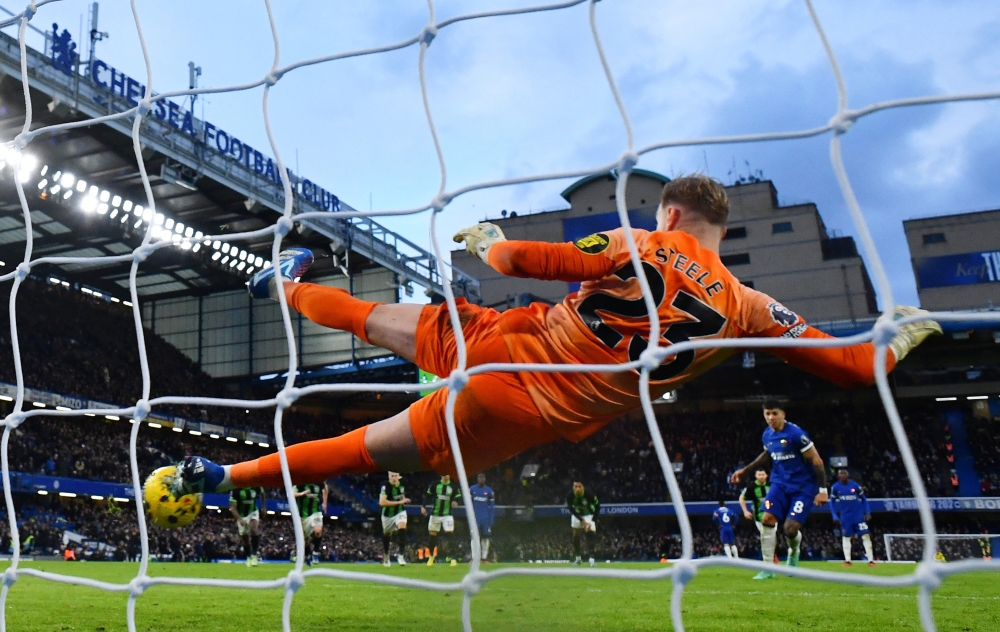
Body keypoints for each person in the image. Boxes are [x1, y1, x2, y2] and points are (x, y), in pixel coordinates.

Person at [169, 175, 940, 519]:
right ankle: (222, 474)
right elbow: (855, 367)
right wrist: (901, 332)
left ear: (671, 212)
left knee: (379, 319)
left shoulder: (644, 241)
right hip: (524, 402)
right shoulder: (752, 308)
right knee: (368, 449)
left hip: (502, 339)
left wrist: (494, 241)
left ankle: (287, 286)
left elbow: (524, 263)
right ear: (721, 230)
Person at [730, 401, 827, 579]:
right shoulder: (767, 435)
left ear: (783, 414)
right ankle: (768, 568)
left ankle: (793, 553)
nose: (770, 418)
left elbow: (817, 460)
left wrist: (823, 490)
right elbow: (767, 455)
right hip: (779, 483)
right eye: (767, 414)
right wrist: (745, 471)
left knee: (789, 529)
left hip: (803, 487)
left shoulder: (796, 435)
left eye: (774, 413)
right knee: (767, 518)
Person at [830, 468, 874, 566]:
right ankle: (848, 560)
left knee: (866, 536)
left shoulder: (855, 485)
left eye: (844, 473)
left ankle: (871, 560)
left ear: (848, 475)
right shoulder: (835, 487)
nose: (843, 475)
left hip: (859, 516)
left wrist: (867, 512)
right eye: (840, 474)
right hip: (845, 517)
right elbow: (832, 502)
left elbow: (864, 499)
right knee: (846, 537)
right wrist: (835, 515)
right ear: (838, 476)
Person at [421, 474, 461, 566]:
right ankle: (431, 558)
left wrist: (456, 501)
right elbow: (428, 496)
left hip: (447, 515)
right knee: (432, 537)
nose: (446, 476)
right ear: (441, 475)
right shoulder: (435, 484)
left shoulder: (453, 486)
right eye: (444, 474)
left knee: (450, 534)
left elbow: (458, 496)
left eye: (447, 474)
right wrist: (423, 506)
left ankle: (453, 558)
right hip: (435, 514)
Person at [739, 469, 772, 560]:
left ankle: (771, 558)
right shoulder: (751, 487)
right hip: (758, 517)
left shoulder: (772, 485)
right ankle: (770, 559)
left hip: (771, 515)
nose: (761, 476)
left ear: (766, 475)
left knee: (769, 536)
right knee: (765, 536)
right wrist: (745, 511)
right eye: (759, 474)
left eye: (763, 474)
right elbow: (741, 498)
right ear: (756, 476)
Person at [379, 471, 410, 567]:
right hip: (387, 515)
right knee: (387, 535)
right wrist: (401, 502)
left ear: (399, 476)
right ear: (389, 476)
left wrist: (404, 499)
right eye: (391, 476)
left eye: (395, 476)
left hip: (400, 512)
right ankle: (386, 555)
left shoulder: (404, 482)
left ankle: (401, 555)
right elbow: (382, 503)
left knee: (402, 528)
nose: (393, 478)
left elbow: (403, 494)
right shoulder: (385, 486)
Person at [229, 487, 265, 566]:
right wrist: (240, 519)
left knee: (254, 530)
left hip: (253, 511)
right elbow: (232, 508)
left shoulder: (255, 485)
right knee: (245, 539)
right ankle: (248, 557)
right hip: (241, 515)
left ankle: (254, 555)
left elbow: (262, 493)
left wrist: (264, 507)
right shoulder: (236, 490)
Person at [293, 483, 327, 566]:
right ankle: (308, 555)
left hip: (315, 512)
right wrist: (302, 493)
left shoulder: (318, 481)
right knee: (305, 540)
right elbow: (291, 493)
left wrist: (324, 503)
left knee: (318, 531)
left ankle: (315, 552)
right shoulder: (300, 483)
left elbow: (325, 488)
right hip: (303, 516)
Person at [567, 481, 599, 567]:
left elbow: (598, 506)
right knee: (575, 534)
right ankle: (578, 559)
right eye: (575, 487)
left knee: (589, 533)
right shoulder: (570, 496)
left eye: (579, 486)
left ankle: (592, 559)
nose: (577, 489)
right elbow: (571, 509)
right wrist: (582, 521)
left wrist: (592, 521)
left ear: (583, 487)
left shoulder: (589, 494)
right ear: (573, 488)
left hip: (588, 514)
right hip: (577, 515)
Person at [470, 473, 496, 562]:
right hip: (475, 518)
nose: (481, 479)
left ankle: (484, 558)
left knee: (486, 537)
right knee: (474, 537)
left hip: (485, 518)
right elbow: (469, 504)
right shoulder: (472, 489)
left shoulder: (489, 491)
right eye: (480, 478)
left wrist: (491, 520)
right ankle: (474, 558)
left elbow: (492, 506)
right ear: (477, 479)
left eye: (483, 478)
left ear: (485, 479)